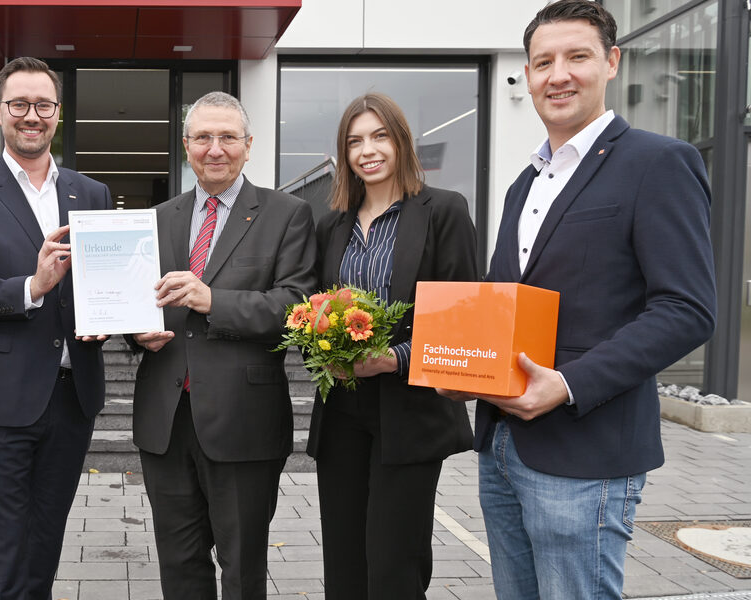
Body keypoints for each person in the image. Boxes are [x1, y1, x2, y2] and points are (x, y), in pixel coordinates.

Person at [438, 1, 717, 597]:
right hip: (503, 444)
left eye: (576, 57)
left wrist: (567, 385)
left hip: (585, 449)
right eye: (543, 62)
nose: (557, 74)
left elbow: (687, 309)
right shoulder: (526, 182)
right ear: (529, 75)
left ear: (612, 62)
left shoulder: (658, 163)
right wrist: (459, 360)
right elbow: (506, 302)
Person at [0, 56, 112, 599]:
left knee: (44, 547)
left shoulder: (91, 193)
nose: (31, 116)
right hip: (0, 400)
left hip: (72, 396)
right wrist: (31, 288)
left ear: (59, 112)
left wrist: (109, 319)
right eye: (19, 105)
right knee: (0, 551)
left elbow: (99, 283)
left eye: (43, 105)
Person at [130, 91, 317, 600]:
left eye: (228, 137)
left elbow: (295, 307)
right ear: (186, 145)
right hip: (165, 418)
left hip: (243, 419)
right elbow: (136, 298)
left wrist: (213, 300)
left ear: (248, 145)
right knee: (179, 561)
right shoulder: (159, 216)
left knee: (241, 566)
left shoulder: (288, 214)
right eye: (203, 137)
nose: (216, 148)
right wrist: (135, 332)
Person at [305, 92, 477, 598]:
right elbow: (313, 310)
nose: (368, 150)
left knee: (393, 565)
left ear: (401, 141)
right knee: (343, 560)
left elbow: (461, 319)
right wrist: (324, 353)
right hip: (342, 412)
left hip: (410, 411)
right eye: (355, 141)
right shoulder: (330, 224)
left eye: (379, 136)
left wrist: (393, 359)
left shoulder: (443, 210)